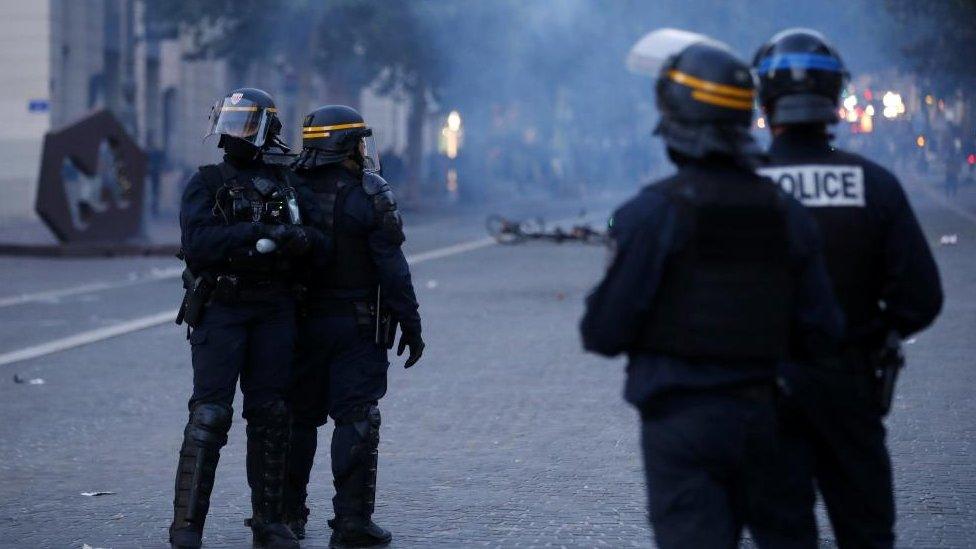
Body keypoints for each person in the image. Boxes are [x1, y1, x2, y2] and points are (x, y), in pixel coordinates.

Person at [580, 38, 844, 548]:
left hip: (682, 429)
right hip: (769, 420)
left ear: (675, 124)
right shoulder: (787, 213)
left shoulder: (649, 214)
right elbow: (824, 330)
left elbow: (603, 332)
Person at [754, 29, 944, 549]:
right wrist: (876, 331)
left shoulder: (738, 185)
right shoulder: (875, 184)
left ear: (765, 100)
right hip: (849, 384)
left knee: (779, 535)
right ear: (835, 99)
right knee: (865, 533)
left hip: (759, 391)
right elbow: (922, 297)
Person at [170, 87, 324, 549]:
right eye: (231, 125)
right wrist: (257, 232)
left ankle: (269, 521)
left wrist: (299, 240)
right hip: (222, 309)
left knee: (272, 415)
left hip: (274, 308)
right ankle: (187, 526)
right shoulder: (206, 182)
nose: (236, 136)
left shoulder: (289, 183)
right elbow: (199, 244)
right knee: (210, 415)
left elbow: (320, 241)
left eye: (245, 126)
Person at [283, 105, 424, 547]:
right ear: (344, 145)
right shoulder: (370, 193)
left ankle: (285, 516)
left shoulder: (287, 189)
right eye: (358, 141)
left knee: (297, 421)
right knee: (357, 419)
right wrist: (411, 322)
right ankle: (351, 521)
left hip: (299, 325)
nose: (364, 149)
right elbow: (392, 268)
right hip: (356, 326)